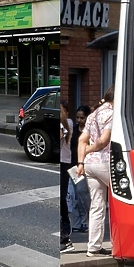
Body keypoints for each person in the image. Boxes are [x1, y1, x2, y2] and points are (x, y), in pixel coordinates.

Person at [76, 86, 114, 257]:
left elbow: (81, 139)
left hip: (90, 166)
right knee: (122, 200)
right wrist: (91, 149)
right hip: (105, 163)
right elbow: (104, 141)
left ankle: (93, 247)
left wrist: (81, 160)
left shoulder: (92, 115)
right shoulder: (112, 113)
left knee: (97, 206)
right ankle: (119, 243)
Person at [69, 105, 91, 232]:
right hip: (73, 166)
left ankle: (84, 221)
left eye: (82, 118)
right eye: (77, 117)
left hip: (84, 165)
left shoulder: (90, 132)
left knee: (82, 195)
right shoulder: (74, 130)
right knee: (75, 196)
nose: (79, 120)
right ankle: (77, 223)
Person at [59, 99, 75, 253]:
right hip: (60, 162)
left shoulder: (68, 123)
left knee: (62, 196)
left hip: (64, 162)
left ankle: (65, 222)